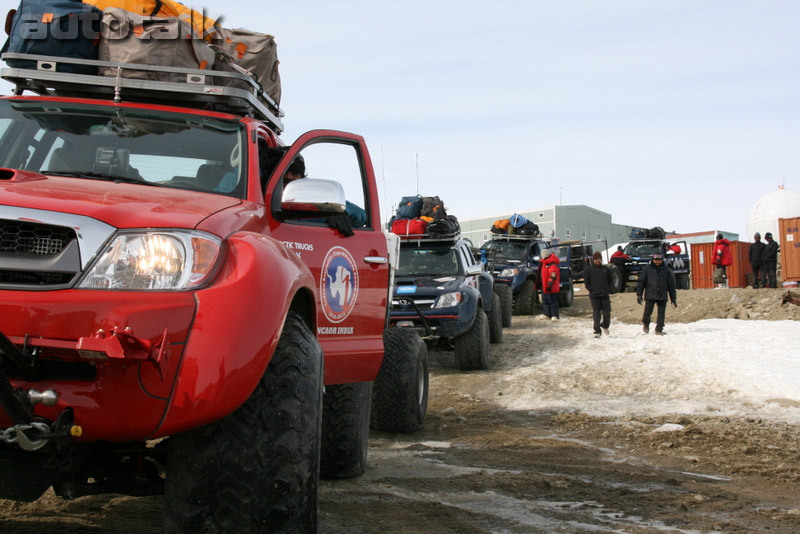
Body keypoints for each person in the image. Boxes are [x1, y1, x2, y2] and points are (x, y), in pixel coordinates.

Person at [636, 252, 677, 335]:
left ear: (662, 260)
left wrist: (673, 299)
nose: (657, 262)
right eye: (655, 260)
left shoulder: (666, 270)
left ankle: (659, 329)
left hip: (662, 295)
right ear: (652, 260)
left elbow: (671, 286)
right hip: (650, 295)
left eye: (659, 260)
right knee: (647, 313)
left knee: (661, 314)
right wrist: (639, 294)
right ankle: (646, 324)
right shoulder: (647, 269)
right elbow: (641, 282)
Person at [584, 251, 612, 338]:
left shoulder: (605, 269)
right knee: (596, 313)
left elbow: (610, 280)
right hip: (594, 295)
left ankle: (605, 325)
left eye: (599, 259)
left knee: (607, 312)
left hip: (604, 295)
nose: (597, 261)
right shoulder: (588, 270)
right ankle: (597, 331)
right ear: (593, 260)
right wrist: (591, 289)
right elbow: (586, 282)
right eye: (595, 259)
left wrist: (608, 289)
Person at [538, 248, 560, 321]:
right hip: (544, 286)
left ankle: (555, 315)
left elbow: (552, 275)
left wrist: (550, 284)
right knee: (545, 300)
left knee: (552, 300)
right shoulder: (544, 263)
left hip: (550, 287)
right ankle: (547, 314)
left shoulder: (552, 264)